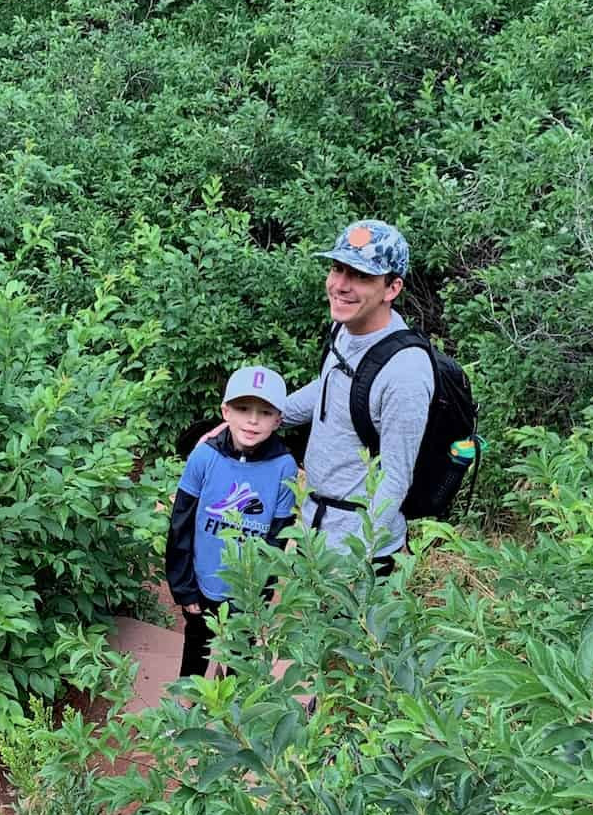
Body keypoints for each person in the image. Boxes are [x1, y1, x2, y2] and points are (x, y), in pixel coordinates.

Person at [279, 219, 432, 573]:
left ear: (392, 288)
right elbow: (332, 388)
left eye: (361, 276)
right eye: (337, 269)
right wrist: (267, 417)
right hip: (315, 529)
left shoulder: (405, 372)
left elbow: (396, 477)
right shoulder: (345, 326)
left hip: (359, 551)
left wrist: (359, 560)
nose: (341, 285)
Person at [165, 366, 299, 679]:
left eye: (265, 412)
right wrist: (184, 588)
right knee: (197, 642)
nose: (252, 420)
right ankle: (186, 707)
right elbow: (180, 524)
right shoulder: (203, 458)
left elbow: (277, 539)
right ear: (225, 411)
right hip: (203, 582)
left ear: (278, 419)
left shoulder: (284, 468)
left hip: (247, 589)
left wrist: (261, 594)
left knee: (242, 654)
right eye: (242, 409)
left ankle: (235, 716)